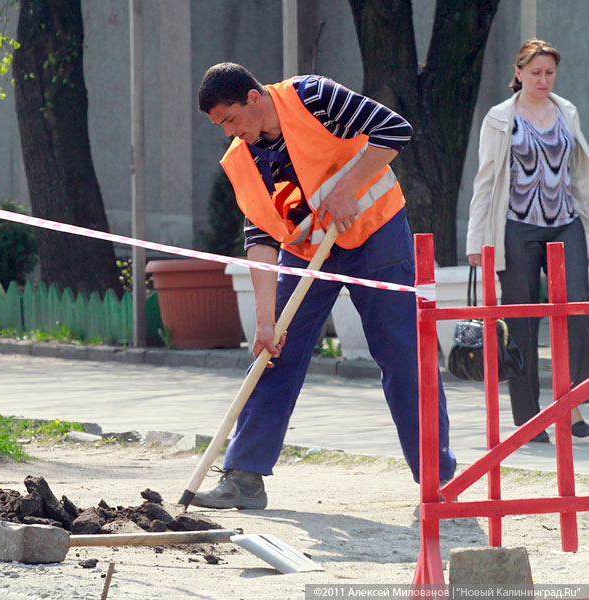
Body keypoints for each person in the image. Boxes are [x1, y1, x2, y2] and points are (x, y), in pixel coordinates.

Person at [192, 62, 456, 509]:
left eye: (230, 119)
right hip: (307, 251)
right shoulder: (244, 156)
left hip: (376, 233)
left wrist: (348, 187)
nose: (229, 132)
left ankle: (437, 480)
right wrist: (264, 322)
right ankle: (244, 478)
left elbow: (395, 129)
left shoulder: (313, 97)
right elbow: (259, 239)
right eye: (220, 126)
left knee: (402, 353)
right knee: (276, 351)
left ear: (253, 98)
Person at [466, 40, 589, 443]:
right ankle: (528, 418)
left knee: (575, 314)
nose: (543, 79)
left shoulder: (566, 110)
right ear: (519, 73)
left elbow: (579, 173)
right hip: (517, 227)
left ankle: (569, 411)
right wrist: (476, 240)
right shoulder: (500, 118)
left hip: (566, 223)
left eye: (549, 73)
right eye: (535, 72)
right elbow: (486, 180)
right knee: (522, 321)